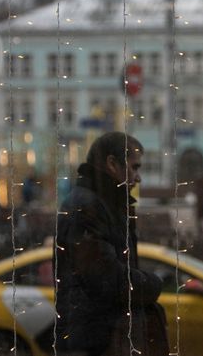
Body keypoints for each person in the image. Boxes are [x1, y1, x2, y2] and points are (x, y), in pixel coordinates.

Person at [47, 132, 169, 356]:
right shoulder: (88, 207)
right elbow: (106, 278)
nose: (138, 177)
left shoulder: (103, 204)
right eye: (134, 167)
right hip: (93, 343)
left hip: (97, 338)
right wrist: (153, 284)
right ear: (112, 164)